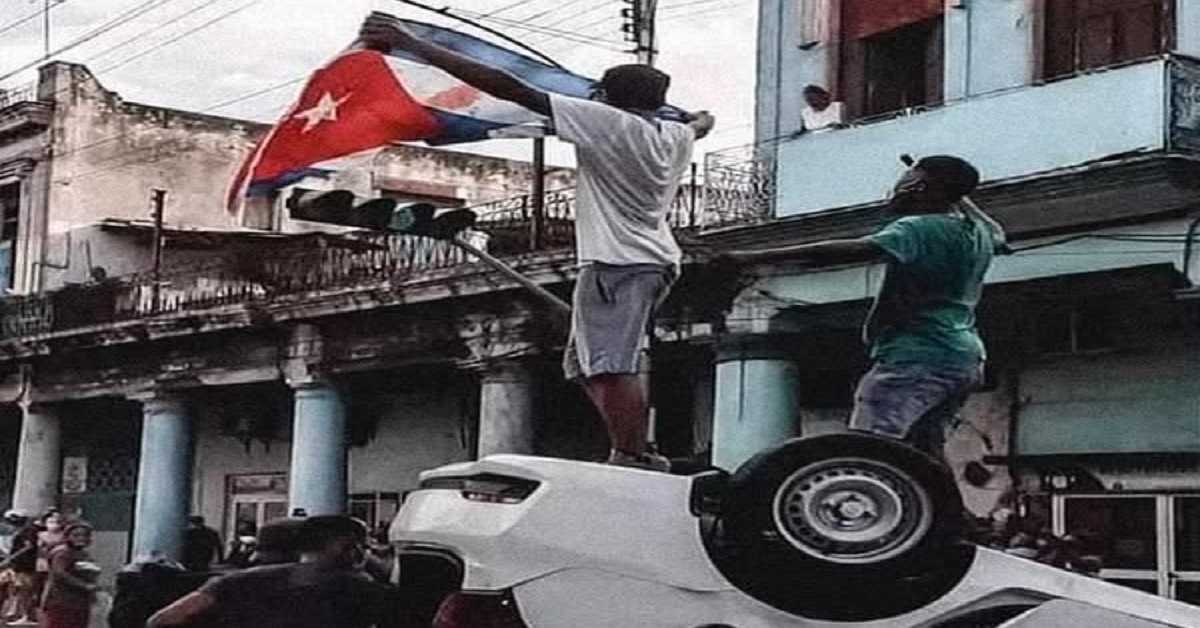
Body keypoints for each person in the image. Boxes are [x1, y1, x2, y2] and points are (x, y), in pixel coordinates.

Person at [358, 13, 714, 472]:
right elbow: (705, 121)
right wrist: (693, 115)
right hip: (651, 258)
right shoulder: (675, 134)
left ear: (606, 98)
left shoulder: (608, 123)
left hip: (617, 261)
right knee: (586, 365)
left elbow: (511, 87)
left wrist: (414, 44)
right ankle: (628, 447)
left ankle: (633, 454)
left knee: (609, 364)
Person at [723, 156, 1005, 459]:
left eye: (908, 178)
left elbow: (851, 250)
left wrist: (748, 257)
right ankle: (945, 507)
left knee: (868, 450)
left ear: (922, 187)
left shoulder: (918, 229)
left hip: (917, 356)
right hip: (964, 358)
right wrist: (962, 198)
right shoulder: (978, 233)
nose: (899, 185)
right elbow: (998, 231)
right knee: (926, 454)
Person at [146, 515, 405, 628]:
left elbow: (163, 620)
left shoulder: (234, 582)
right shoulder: (363, 589)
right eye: (364, 545)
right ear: (352, 548)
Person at [39, 522, 101, 628]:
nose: (81, 538)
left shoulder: (83, 554)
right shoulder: (63, 553)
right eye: (76, 535)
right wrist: (85, 585)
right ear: (67, 537)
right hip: (62, 601)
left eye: (85, 535)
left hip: (80, 602)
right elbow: (59, 573)